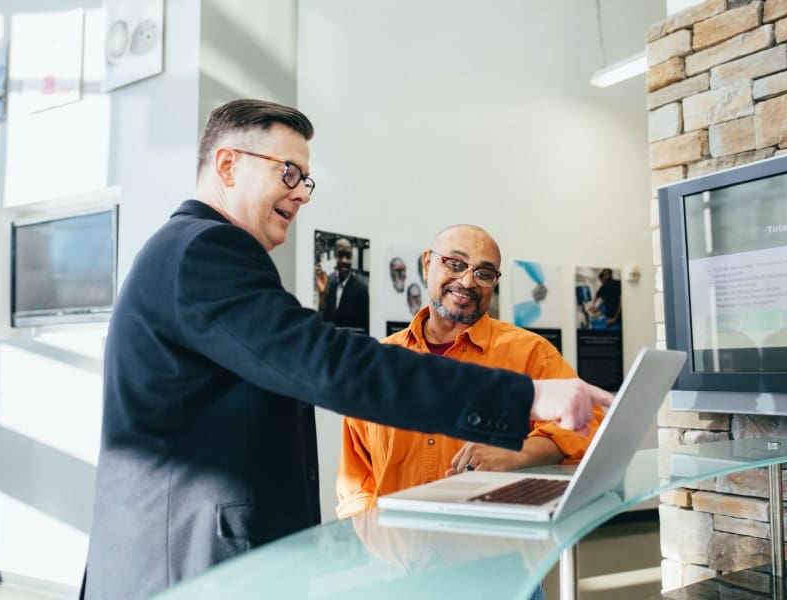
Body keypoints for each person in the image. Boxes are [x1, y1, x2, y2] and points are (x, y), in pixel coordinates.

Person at [82, 99, 612, 599]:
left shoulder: (190, 252)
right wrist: (525, 398)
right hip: (188, 565)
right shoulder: (205, 250)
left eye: (305, 180)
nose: (301, 193)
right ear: (226, 165)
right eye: (287, 171)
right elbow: (329, 364)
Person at [336, 225, 605, 519]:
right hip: (398, 555)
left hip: (494, 549)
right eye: (455, 264)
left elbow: (590, 425)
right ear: (427, 264)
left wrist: (518, 452)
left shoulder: (531, 353)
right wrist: (372, 542)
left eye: (484, 273)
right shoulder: (380, 363)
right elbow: (356, 479)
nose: (467, 281)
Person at [315, 237, 370, 334]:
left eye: (348, 256)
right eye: (340, 255)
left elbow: (365, 329)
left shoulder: (361, 288)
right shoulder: (330, 282)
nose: (344, 261)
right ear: (335, 256)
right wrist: (322, 295)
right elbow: (325, 320)